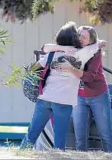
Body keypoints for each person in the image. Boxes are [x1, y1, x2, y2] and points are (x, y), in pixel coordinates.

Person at [20, 22, 106, 150]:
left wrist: (60, 50)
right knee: (59, 139)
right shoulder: (82, 54)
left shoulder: (51, 55)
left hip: (45, 98)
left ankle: (22, 153)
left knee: (32, 134)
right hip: (63, 101)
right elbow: (100, 44)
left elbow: (34, 67)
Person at [42, 26, 112, 152]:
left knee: (106, 133)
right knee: (80, 137)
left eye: (84, 37)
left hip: (97, 95)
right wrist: (62, 48)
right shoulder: (72, 48)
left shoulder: (95, 53)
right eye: (79, 35)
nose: (80, 39)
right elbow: (45, 48)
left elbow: (89, 77)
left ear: (91, 41)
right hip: (79, 97)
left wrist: (70, 68)